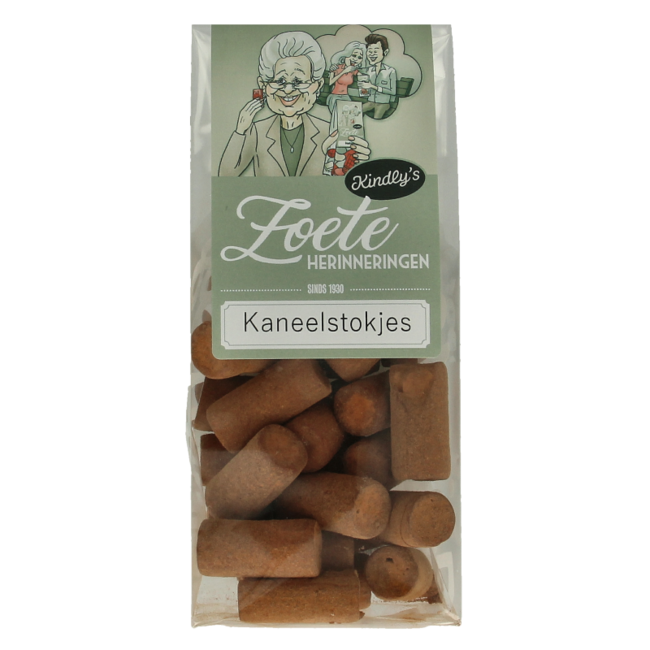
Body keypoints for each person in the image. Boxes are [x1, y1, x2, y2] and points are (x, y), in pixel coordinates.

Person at [219, 31, 371, 177]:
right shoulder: (256, 131)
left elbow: (340, 181)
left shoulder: (328, 132)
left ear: (317, 85)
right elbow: (226, 176)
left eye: (298, 81)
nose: (288, 90)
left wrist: (353, 164)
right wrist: (240, 131)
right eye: (280, 81)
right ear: (264, 85)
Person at [359, 34, 397, 120]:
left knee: (376, 117)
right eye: (370, 51)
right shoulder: (369, 70)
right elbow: (364, 91)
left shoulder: (390, 71)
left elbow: (393, 91)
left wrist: (373, 87)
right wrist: (364, 88)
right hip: (371, 102)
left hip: (384, 103)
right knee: (356, 112)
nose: (372, 54)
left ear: (385, 52)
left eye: (375, 51)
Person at [326, 41, 366, 114]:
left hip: (346, 96)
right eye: (354, 55)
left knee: (348, 116)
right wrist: (344, 71)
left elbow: (362, 77)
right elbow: (330, 82)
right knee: (337, 115)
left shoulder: (353, 70)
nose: (355, 59)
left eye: (359, 57)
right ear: (347, 54)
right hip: (335, 96)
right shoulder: (336, 67)